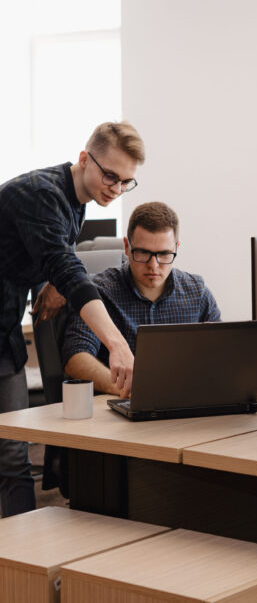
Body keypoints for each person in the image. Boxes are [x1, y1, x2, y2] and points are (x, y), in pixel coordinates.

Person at [0, 121, 144, 517]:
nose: (115, 189)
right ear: (84, 159)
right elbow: (70, 270)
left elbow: (51, 254)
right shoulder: (40, 195)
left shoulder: (76, 199)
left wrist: (50, 281)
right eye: (110, 176)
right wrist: (117, 344)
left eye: (126, 182)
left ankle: (22, 567)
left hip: (6, 334)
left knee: (13, 458)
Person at [62, 202, 257, 396]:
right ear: (127, 247)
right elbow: (76, 359)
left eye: (164, 254)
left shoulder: (195, 291)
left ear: (177, 248)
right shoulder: (99, 292)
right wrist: (125, 389)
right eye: (143, 253)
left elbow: (220, 354)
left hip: (185, 407)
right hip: (124, 412)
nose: (153, 265)